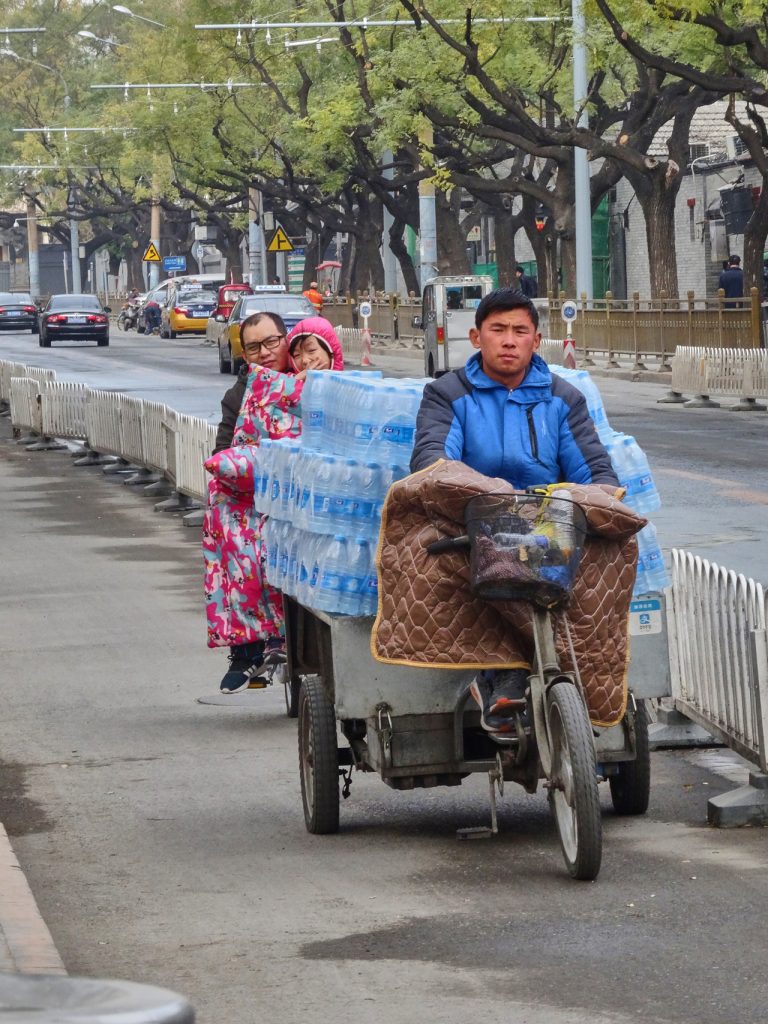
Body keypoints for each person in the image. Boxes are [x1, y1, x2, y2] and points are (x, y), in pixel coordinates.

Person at [410, 287, 619, 732]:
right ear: (476, 337)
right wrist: (483, 495)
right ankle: (495, 677)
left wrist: (603, 498)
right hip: (476, 519)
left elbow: (594, 467)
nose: (509, 340)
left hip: (550, 524)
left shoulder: (563, 398)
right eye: (498, 330)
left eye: (520, 331)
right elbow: (432, 460)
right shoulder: (446, 394)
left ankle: (590, 697)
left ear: (536, 340)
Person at [204, 314, 344, 692]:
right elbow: (224, 448)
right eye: (254, 347)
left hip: (310, 492)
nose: (265, 353)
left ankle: (284, 637)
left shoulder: (324, 379)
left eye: (272, 343)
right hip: (256, 491)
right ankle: (247, 645)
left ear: (288, 341)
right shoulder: (240, 393)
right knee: (226, 517)